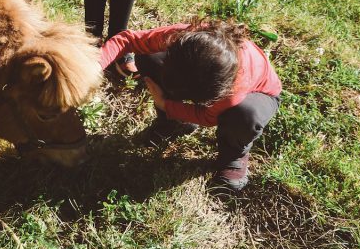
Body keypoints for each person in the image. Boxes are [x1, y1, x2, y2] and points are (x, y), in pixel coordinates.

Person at [99, 19, 282, 191]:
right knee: (148, 56)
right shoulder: (184, 37)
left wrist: (165, 104)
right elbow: (129, 40)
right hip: (202, 76)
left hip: (261, 94)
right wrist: (94, 66)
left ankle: (234, 153)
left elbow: (207, 117)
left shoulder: (233, 89)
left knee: (244, 116)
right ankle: (175, 124)